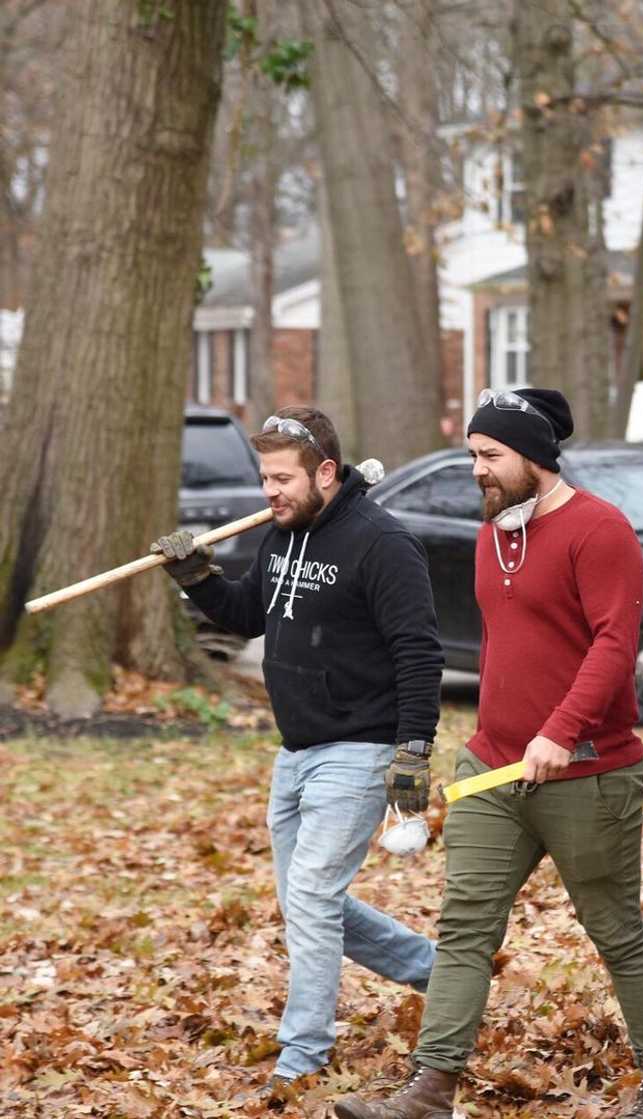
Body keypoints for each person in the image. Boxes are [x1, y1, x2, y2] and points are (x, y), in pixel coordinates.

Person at [334, 388, 643, 1119]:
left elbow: (615, 645)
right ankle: (430, 1089)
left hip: (590, 771)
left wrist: (559, 729)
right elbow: (503, 644)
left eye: (490, 456)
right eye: (472, 455)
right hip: (493, 767)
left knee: (614, 929)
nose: (478, 471)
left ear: (534, 457)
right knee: (464, 927)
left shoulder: (601, 529)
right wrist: (486, 734)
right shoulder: (494, 529)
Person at [151, 406, 443, 1102]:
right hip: (297, 750)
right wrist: (195, 576)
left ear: (326, 472)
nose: (270, 492)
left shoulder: (382, 543)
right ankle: (442, 970)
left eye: (283, 478)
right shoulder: (282, 536)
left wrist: (414, 748)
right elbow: (248, 613)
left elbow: (419, 651)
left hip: (361, 748)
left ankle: (301, 1055)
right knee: (307, 901)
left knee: (311, 897)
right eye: (265, 478)